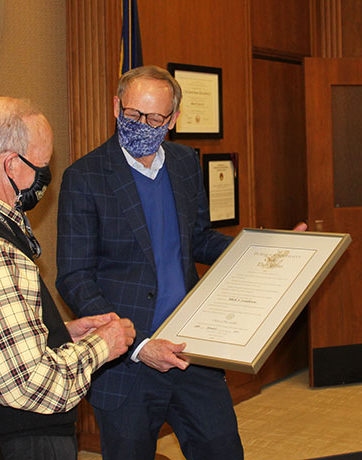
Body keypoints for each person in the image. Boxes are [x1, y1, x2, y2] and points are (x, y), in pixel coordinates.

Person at [0, 97, 136, 460]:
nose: (45, 180)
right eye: (41, 167)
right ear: (11, 164)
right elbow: (31, 385)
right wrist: (103, 344)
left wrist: (60, 334)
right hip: (20, 442)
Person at [56, 65, 244, 460]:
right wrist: (138, 345)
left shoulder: (184, 163)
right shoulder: (85, 177)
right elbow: (74, 277)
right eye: (132, 114)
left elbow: (198, 239)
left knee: (223, 450)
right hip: (126, 362)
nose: (141, 125)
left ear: (173, 119)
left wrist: (258, 249)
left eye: (155, 118)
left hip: (191, 350)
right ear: (116, 107)